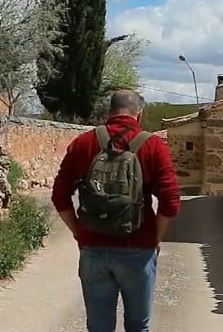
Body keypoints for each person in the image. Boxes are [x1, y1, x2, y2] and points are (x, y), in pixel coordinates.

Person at [51, 88, 181, 332]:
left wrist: (79, 232)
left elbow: (59, 196)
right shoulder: (153, 145)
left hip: (93, 249)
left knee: (99, 327)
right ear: (138, 114)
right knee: (138, 326)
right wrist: (156, 238)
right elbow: (171, 202)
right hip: (138, 250)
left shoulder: (83, 143)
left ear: (109, 112)